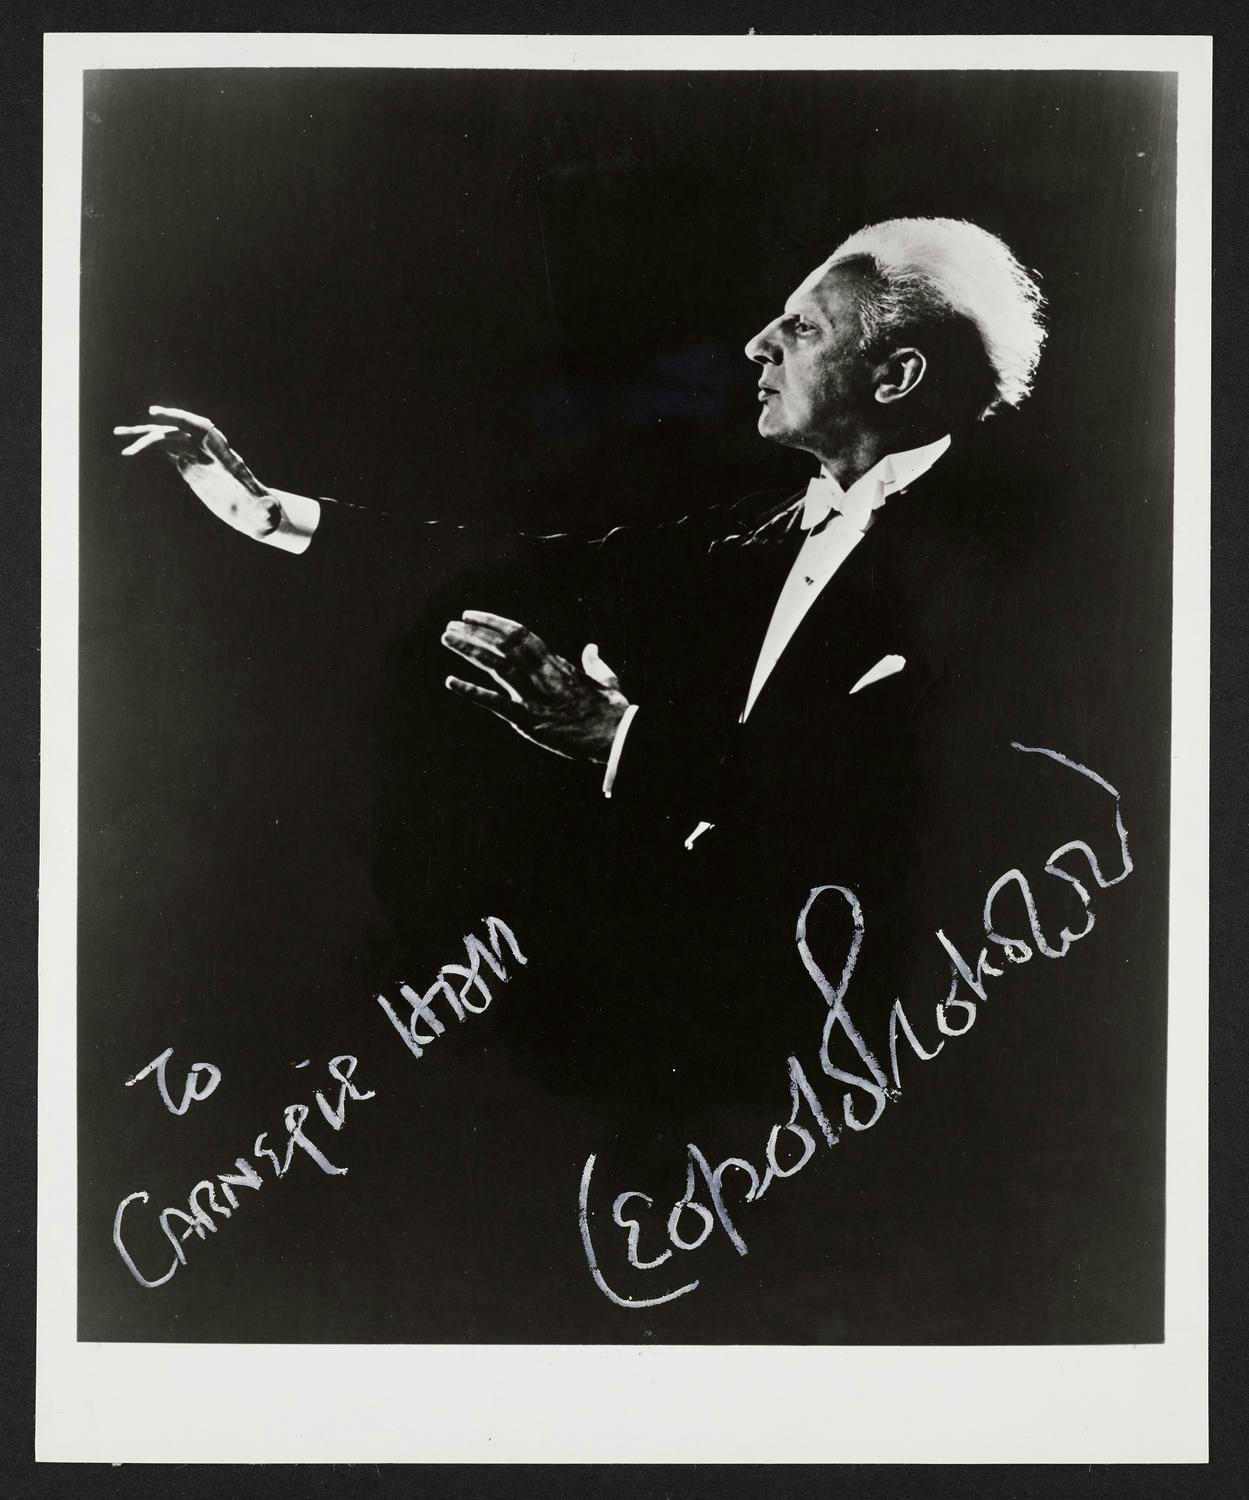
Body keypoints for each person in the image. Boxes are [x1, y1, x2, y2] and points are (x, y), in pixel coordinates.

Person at [113, 215, 1065, 1111]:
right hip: (722, 1050)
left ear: (894, 375)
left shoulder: (1003, 577)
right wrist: (271, 513)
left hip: (889, 1059)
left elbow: (856, 813)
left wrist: (615, 736)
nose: (755, 346)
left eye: (800, 327)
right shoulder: (762, 535)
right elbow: (534, 568)